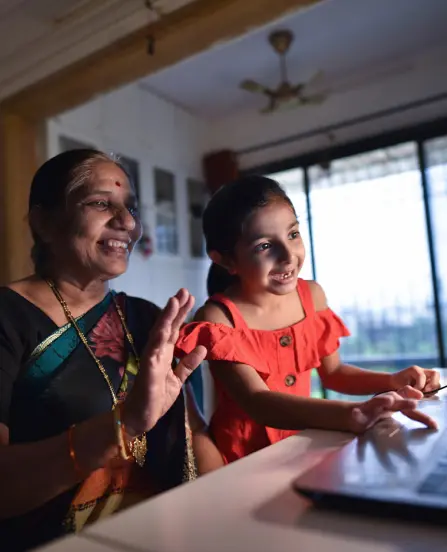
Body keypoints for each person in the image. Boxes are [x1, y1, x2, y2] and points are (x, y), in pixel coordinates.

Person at [0, 149, 223, 551]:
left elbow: (196, 436)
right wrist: (122, 426)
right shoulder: (7, 318)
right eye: (101, 203)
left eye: (130, 207)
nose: (127, 223)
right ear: (44, 222)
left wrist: (232, 517)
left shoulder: (147, 318)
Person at [175, 175, 440, 465]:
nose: (289, 256)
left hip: (303, 448)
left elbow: (335, 372)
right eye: (264, 246)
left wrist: (391, 380)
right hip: (240, 461)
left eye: (293, 235)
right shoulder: (218, 319)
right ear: (226, 260)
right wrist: (352, 413)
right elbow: (257, 401)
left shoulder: (312, 296)